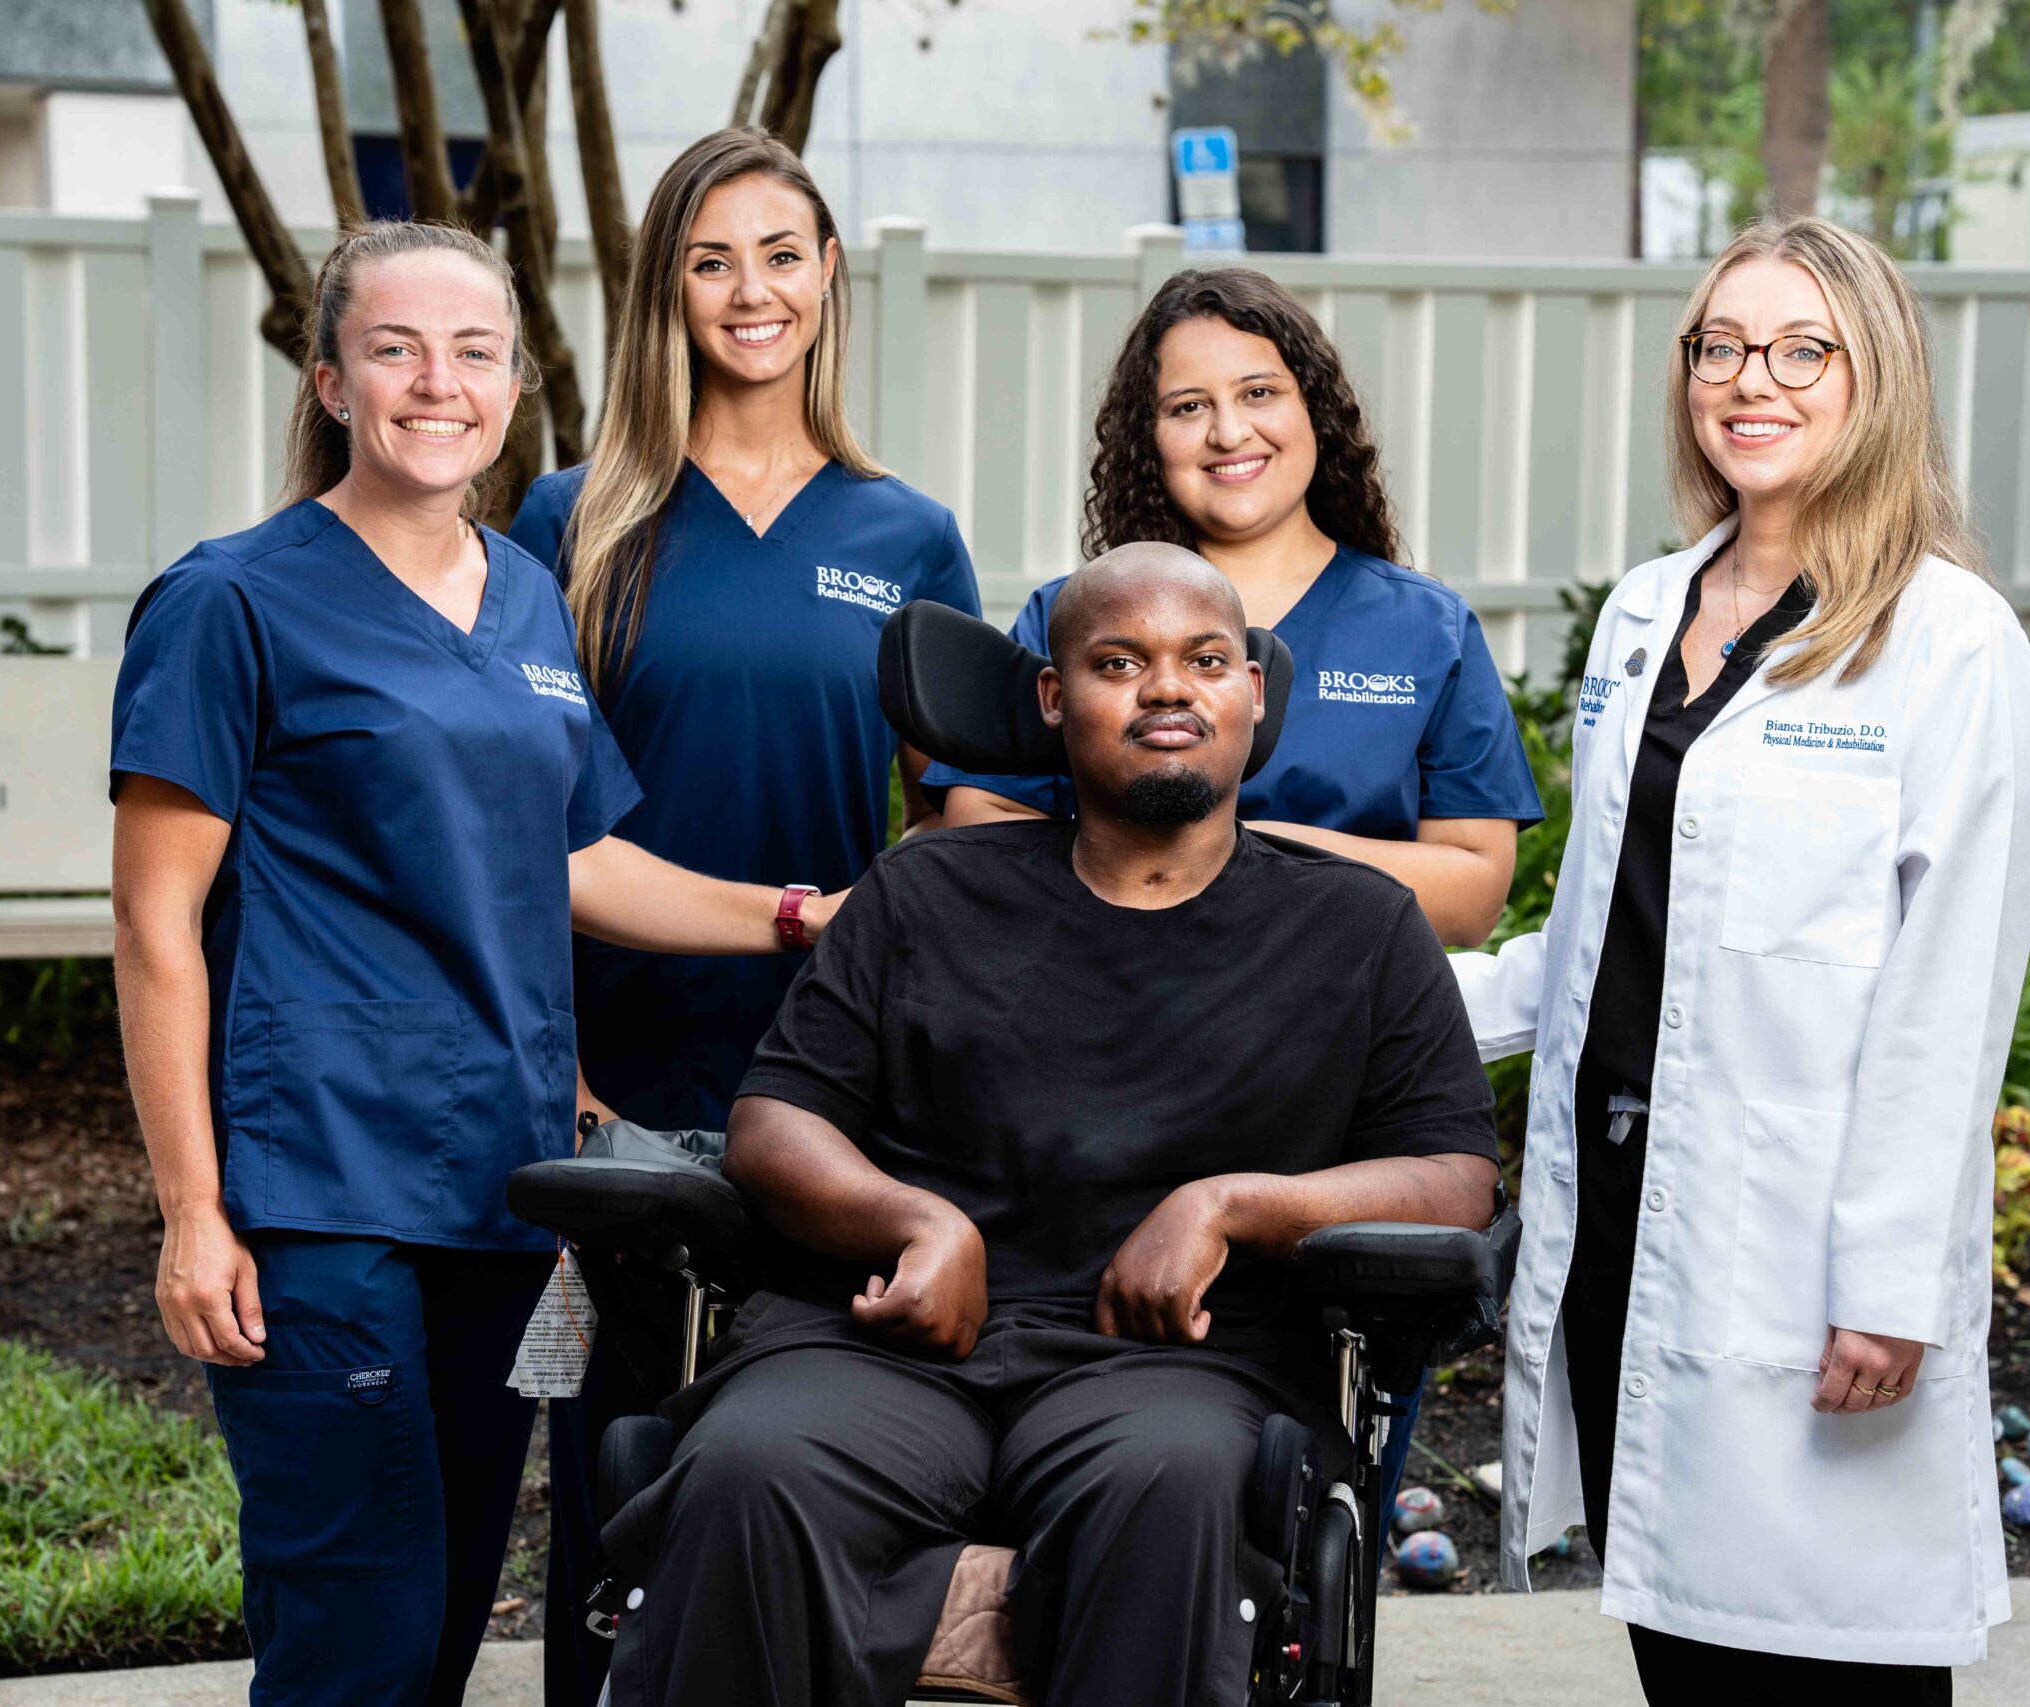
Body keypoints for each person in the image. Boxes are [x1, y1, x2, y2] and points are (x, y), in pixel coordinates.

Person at [110, 221, 837, 1707]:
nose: (438, 383)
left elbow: (574, 860)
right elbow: (152, 925)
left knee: (437, 1620)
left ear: (513, 387)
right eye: (395, 348)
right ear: (328, 379)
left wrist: (794, 914)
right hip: (319, 1187)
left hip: (498, 1188)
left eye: (476, 351)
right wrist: (195, 1206)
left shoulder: (521, 595)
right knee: (355, 1628)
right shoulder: (229, 601)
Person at [603, 545, 1502, 1707]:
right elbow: (775, 1125)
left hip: (1179, 1368)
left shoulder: (1361, 929)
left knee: (1171, 1488)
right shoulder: (922, 894)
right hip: (885, 1347)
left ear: (1255, 694)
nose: (1168, 689)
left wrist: (1231, 1204)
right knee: (748, 1469)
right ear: (1050, 697)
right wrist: (913, 1220)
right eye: (1119, 662)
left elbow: (1451, 1179)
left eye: (1206, 660)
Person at [1451, 217, 2030, 1699]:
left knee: (1829, 1654)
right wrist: (1358, 994)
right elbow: (1603, 924)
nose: (1750, 380)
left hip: (1808, 1255)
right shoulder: (1649, 609)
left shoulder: (1948, 642)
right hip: (1628, 1219)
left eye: (1801, 349)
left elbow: (1947, 994)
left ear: (1877, 376)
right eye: (1720, 345)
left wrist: (1892, 1277)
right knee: (1681, 1641)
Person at [926, 268, 1541, 1532]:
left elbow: (1473, 885)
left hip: (1323, 1088)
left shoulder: (1419, 628)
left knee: (1284, 1483)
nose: (1228, 432)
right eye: (1187, 405)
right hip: (1084, 1069)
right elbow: (975, 823)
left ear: (1315, 412)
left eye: (1259, 393)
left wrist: (1233, 838)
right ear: (1144, 440)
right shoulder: (1076, 613)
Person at [505, 127, 979, 1702]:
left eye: (782, 253)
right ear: (666, 287)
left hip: (834, 1103)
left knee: (784, 1484)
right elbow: (520, 821)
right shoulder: (575, 518)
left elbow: (964, 827)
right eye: (712, 259)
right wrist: (558, 1069)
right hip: (614, 1092)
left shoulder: (904, 534)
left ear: (830, 274)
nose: (750, 290)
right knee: (610, 1485)